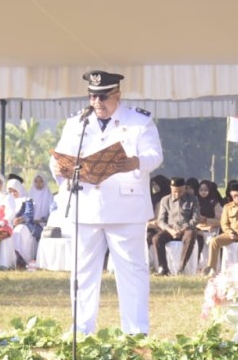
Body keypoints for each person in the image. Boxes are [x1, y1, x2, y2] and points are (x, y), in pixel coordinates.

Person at [50, 70, 164, 335]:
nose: (97, 102)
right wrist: (59, 166)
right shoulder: (77, 123)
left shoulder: (138, 121)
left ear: (117, 95)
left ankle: (136, 332)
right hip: (85, 205)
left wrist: (136, 162)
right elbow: (58, 158)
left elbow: (154, 155)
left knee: (132, 272)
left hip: (125, 208)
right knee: (82, 273)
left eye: (103, 97)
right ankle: (81, 331)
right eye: (92, 96)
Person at [204, 180, 238, 275]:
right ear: (231, 195)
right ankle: (212, 268)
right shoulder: (227, 207)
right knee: (214, 241)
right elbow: (224, 223)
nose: (237, 198)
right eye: (235, 196)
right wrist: (229, 232)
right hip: (231, 234)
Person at [151, 177, 203, 276]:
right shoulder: (165, 200)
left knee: (192, 234)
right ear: (171, 188)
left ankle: (181, 267)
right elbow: (161, 220)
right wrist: (170, 230)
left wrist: (184, 228)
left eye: (180, 191)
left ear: (184, 188)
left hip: (186, 228)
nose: (177, 194)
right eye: (175, 191)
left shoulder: (192, 199)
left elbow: (195, 219)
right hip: (171, 228)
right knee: (156, 238)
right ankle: (163, 268)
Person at [7, 178, 42, 267]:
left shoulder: (27, 200)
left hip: (25, 225)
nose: (12, 194)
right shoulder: (6, 200)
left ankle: (21, 258)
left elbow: (29, 214)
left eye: (15, 191)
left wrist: (21, 219)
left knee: (20, 230)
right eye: (10, 191)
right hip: (8, 224)